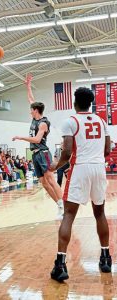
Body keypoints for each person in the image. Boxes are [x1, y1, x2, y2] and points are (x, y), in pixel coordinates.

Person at [49, 87, 112, 282]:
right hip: (98, 168)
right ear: (91, 103)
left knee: (69, 214)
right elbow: (108, 149)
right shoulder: (102, 121)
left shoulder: (71, 121)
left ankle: (60, 264)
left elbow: (67, 152)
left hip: (81, 168)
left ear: (75, 102)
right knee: (100, 213)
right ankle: (105, 258)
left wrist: (55, 166)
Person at [12, 74, 63, 218]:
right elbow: (31, 99)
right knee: (43, 182)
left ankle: (63, 205)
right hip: (35, 154)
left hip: (43, 152)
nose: (30, 110)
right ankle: (59, 205)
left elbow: (36, 139)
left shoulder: (42, 123)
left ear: (36, 110)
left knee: (50, 179)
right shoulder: (35, 117)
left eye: (31, 109)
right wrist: (28, 85)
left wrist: (20, 137)